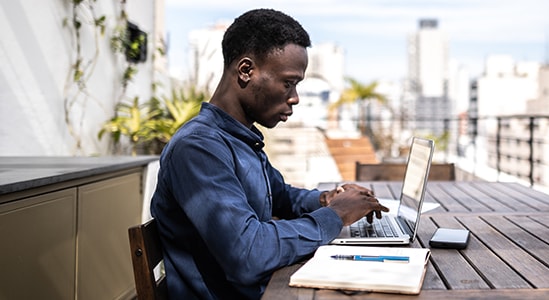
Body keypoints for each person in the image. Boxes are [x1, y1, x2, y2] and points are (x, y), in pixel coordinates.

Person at [150, 8, 389, 300]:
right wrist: (336, 215)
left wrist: (328, 198)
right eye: (288, 83)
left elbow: (282, 197)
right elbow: (248, 255)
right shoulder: (198, 148)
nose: (295, 98)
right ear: (246, 71)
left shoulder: (239, 139)